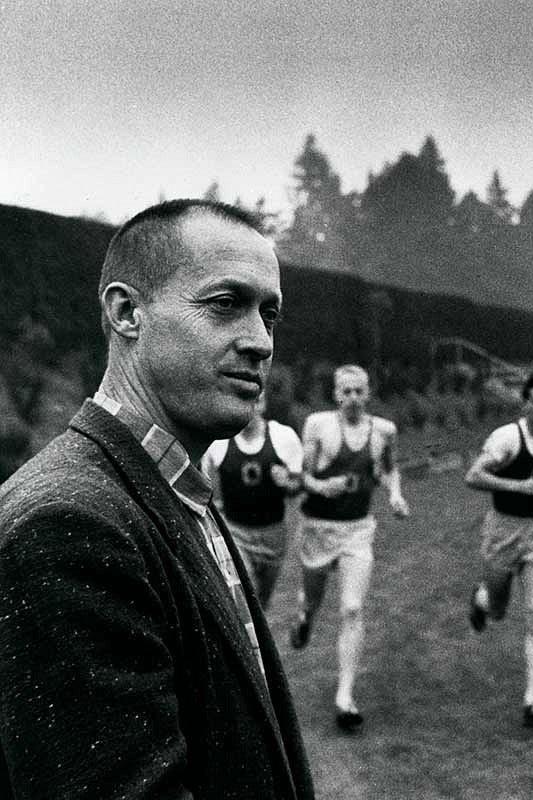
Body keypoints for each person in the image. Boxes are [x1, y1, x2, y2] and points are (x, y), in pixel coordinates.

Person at [0, 200, 313, 798]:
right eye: (226, 305)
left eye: (268, 315)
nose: (261, 342)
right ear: (126, 313)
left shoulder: (175, 487)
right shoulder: (69, 523)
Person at [289, 364, 410, 733]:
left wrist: (394, 495)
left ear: (368, 393)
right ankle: (305, 617)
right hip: (318, 527)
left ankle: (345, 697)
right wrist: (320, 487)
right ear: (335, 394)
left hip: (358, 529)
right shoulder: (318, 426)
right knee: (313, 601)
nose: (353, 399)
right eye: (346, 392)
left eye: (359, 391)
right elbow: (300, 477)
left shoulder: (383, 431)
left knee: (353, 609)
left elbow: (389, 469)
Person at [465, 372, 533, 729]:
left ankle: (532, 700)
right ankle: (481, 600)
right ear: (525, 403)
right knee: (498, 610)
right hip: (503, 531)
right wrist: (521, 486)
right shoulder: (507, 438)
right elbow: (474, 476)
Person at [202, 393, 304, 609]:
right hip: (235, 532)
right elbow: (202, 480)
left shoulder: (283, 436)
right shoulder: (218, 438)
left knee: (260, 603)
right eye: (240, 400)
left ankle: (254, 638)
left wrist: (287, 482)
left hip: (273, 534)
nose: (248, 408)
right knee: (245, 599)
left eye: (254, 401)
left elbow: (299, 485)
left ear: (263, 404)